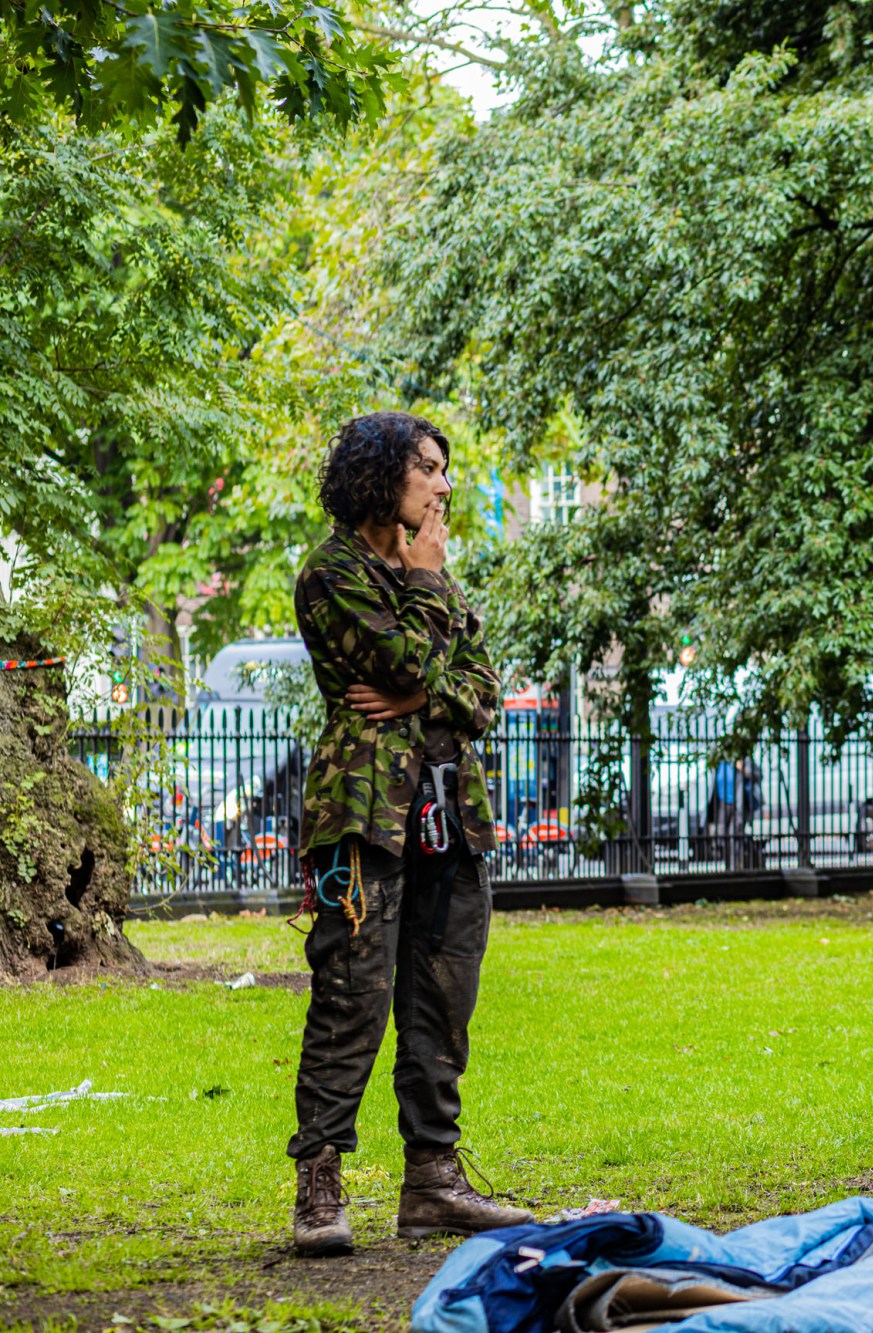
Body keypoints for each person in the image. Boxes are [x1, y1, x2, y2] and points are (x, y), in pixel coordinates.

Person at [288, 410, 532, 1257]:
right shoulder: (330, 573)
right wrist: (426, 610)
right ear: (381, 474)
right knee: (350, 998)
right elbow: (399, 664)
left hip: (450, 816)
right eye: (429, 468)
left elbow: (483, 690)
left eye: (444, 469)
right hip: (364, 823)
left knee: (442, 1000)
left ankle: (433, 1180)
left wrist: (420, 689)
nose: (443, 484)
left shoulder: (428, 570)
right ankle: (319, 1184)